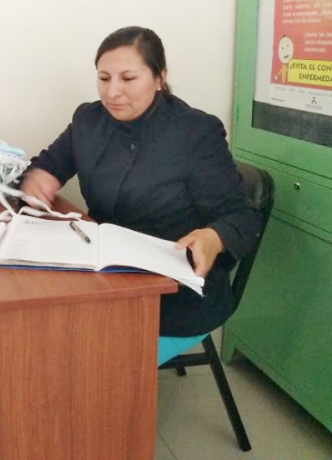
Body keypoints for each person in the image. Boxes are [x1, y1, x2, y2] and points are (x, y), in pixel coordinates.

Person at [21, 26, 261, 348]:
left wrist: (214, 237)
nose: (112, 92)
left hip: (172, 287)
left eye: (128, 79)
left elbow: (241, 215)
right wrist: (40, 177)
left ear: (159, 78)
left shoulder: (194, 132)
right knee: (33, 305)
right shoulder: (89, 119)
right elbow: (50, 164)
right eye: (104, 78)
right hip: (105, 269)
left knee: (64, 335)